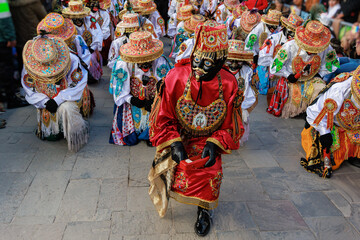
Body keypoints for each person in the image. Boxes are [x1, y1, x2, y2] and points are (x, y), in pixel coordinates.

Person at [148, 20, 244, 237]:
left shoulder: (229, 83)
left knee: (211, 170)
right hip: (178, 132)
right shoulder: (176, 77)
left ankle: (204, 210)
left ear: (220, 64)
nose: (198, 69)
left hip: (209, 136)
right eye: (196, 61)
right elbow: (163, 116)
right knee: (174, 166)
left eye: (207, 65)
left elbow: (231, 125)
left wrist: (214, 141)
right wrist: (174, 141)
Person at [21, 34, 89, 151]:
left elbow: (77, 83)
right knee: (52, 136)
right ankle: (53, 128)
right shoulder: (30, 63)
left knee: (67, 108)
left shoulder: (71, 58)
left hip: (67, 97)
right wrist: (45, 101)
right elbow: (29, 86)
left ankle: (76, 130)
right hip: (45, 98)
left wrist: (58, 100)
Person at [109, 30, 172, 146]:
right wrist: (131, 100)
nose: (145, 65)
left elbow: (166, 84)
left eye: (148, 60)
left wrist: (156, 100)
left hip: (155, 99)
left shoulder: (160, 60)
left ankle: (152, 132)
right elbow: (120, 89)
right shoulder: (123, 63)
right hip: (132, 98)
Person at [270, 20, 339, 118]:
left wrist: (320, 74)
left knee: (321, 89)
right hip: (292, 77)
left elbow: (333, 63)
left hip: (313, 78)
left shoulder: (326, 47)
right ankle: (297, 110)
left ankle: (313, 113)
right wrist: (287, 74)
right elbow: (275, 66)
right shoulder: (289, 46)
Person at [301, 66, 360, 178]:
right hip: (332, 123)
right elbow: (317, 113)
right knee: (332, 161)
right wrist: (325, 133)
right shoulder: (341, 89)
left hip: (355, 125)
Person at [63, 0, 104, 83]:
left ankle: (91, 76)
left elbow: (98, 35)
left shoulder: (90, 20)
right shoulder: (66, 24)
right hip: (72, 50)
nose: (77, 19)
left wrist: (92, 48)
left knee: (91, 58)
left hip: (89, 49)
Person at [225, 39, 257, 145]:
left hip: (239, 104)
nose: (233, 65)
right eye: (230, 61)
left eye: (237, 61)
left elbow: (247, 90)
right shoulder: (220, 69)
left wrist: (244, 109)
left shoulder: (246, 71)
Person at [0, 0, 28, 110]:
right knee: (6, 69)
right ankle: (10, 98)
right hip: (2, 40)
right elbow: (4, 19)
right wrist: (11, 37)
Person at [245, 9, 281, 94]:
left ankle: (268, 89)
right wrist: (254, 55)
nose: (273, 28)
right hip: (257, 54)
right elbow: (249, 43)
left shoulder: (278, 30)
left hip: (270, 55)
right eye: (271, 26)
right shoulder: (259, 28)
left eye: (275, 26)